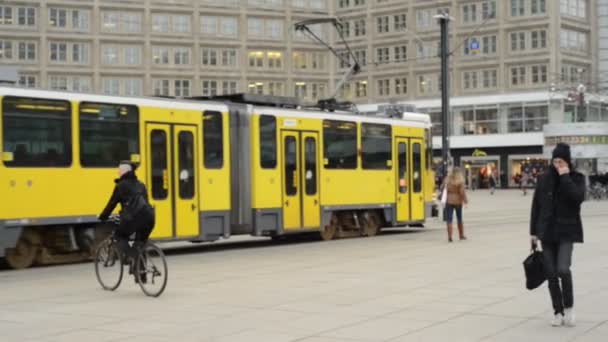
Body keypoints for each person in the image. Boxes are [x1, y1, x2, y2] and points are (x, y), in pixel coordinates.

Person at [530, 143, 585, 327]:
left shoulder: (576, 178)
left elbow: (577, 198)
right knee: (551, 273)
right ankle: (557, 311)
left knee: (563, 269)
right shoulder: (544, 179)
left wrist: (565, 177)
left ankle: (568, 308)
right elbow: (536, 206)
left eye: (561, 161)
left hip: (567, 232)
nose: (557, 164)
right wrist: (533, 232)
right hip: (547, 232)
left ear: (567, 161)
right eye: (555, 161)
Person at [98, 161, 155, 278]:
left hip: (134, 217)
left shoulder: (121, 186)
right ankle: (141, 276)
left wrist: (103, 217)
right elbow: (145, 202)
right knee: (140, 243)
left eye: (119, 169)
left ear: (125, 171)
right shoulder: (141, 184)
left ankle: (131, 258)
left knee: (119, 236)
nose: (118, 171)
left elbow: (112, 203)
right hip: (150, 217)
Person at [443, 167, 468, 242]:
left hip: (449, 201)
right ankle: (461, 235)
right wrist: (465, 201)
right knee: (459, 218)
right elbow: (462, 192)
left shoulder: (448, 179)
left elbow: (443, 188)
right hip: (458, 201)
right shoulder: (460, 181)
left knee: (449, 219)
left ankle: (450, 236)